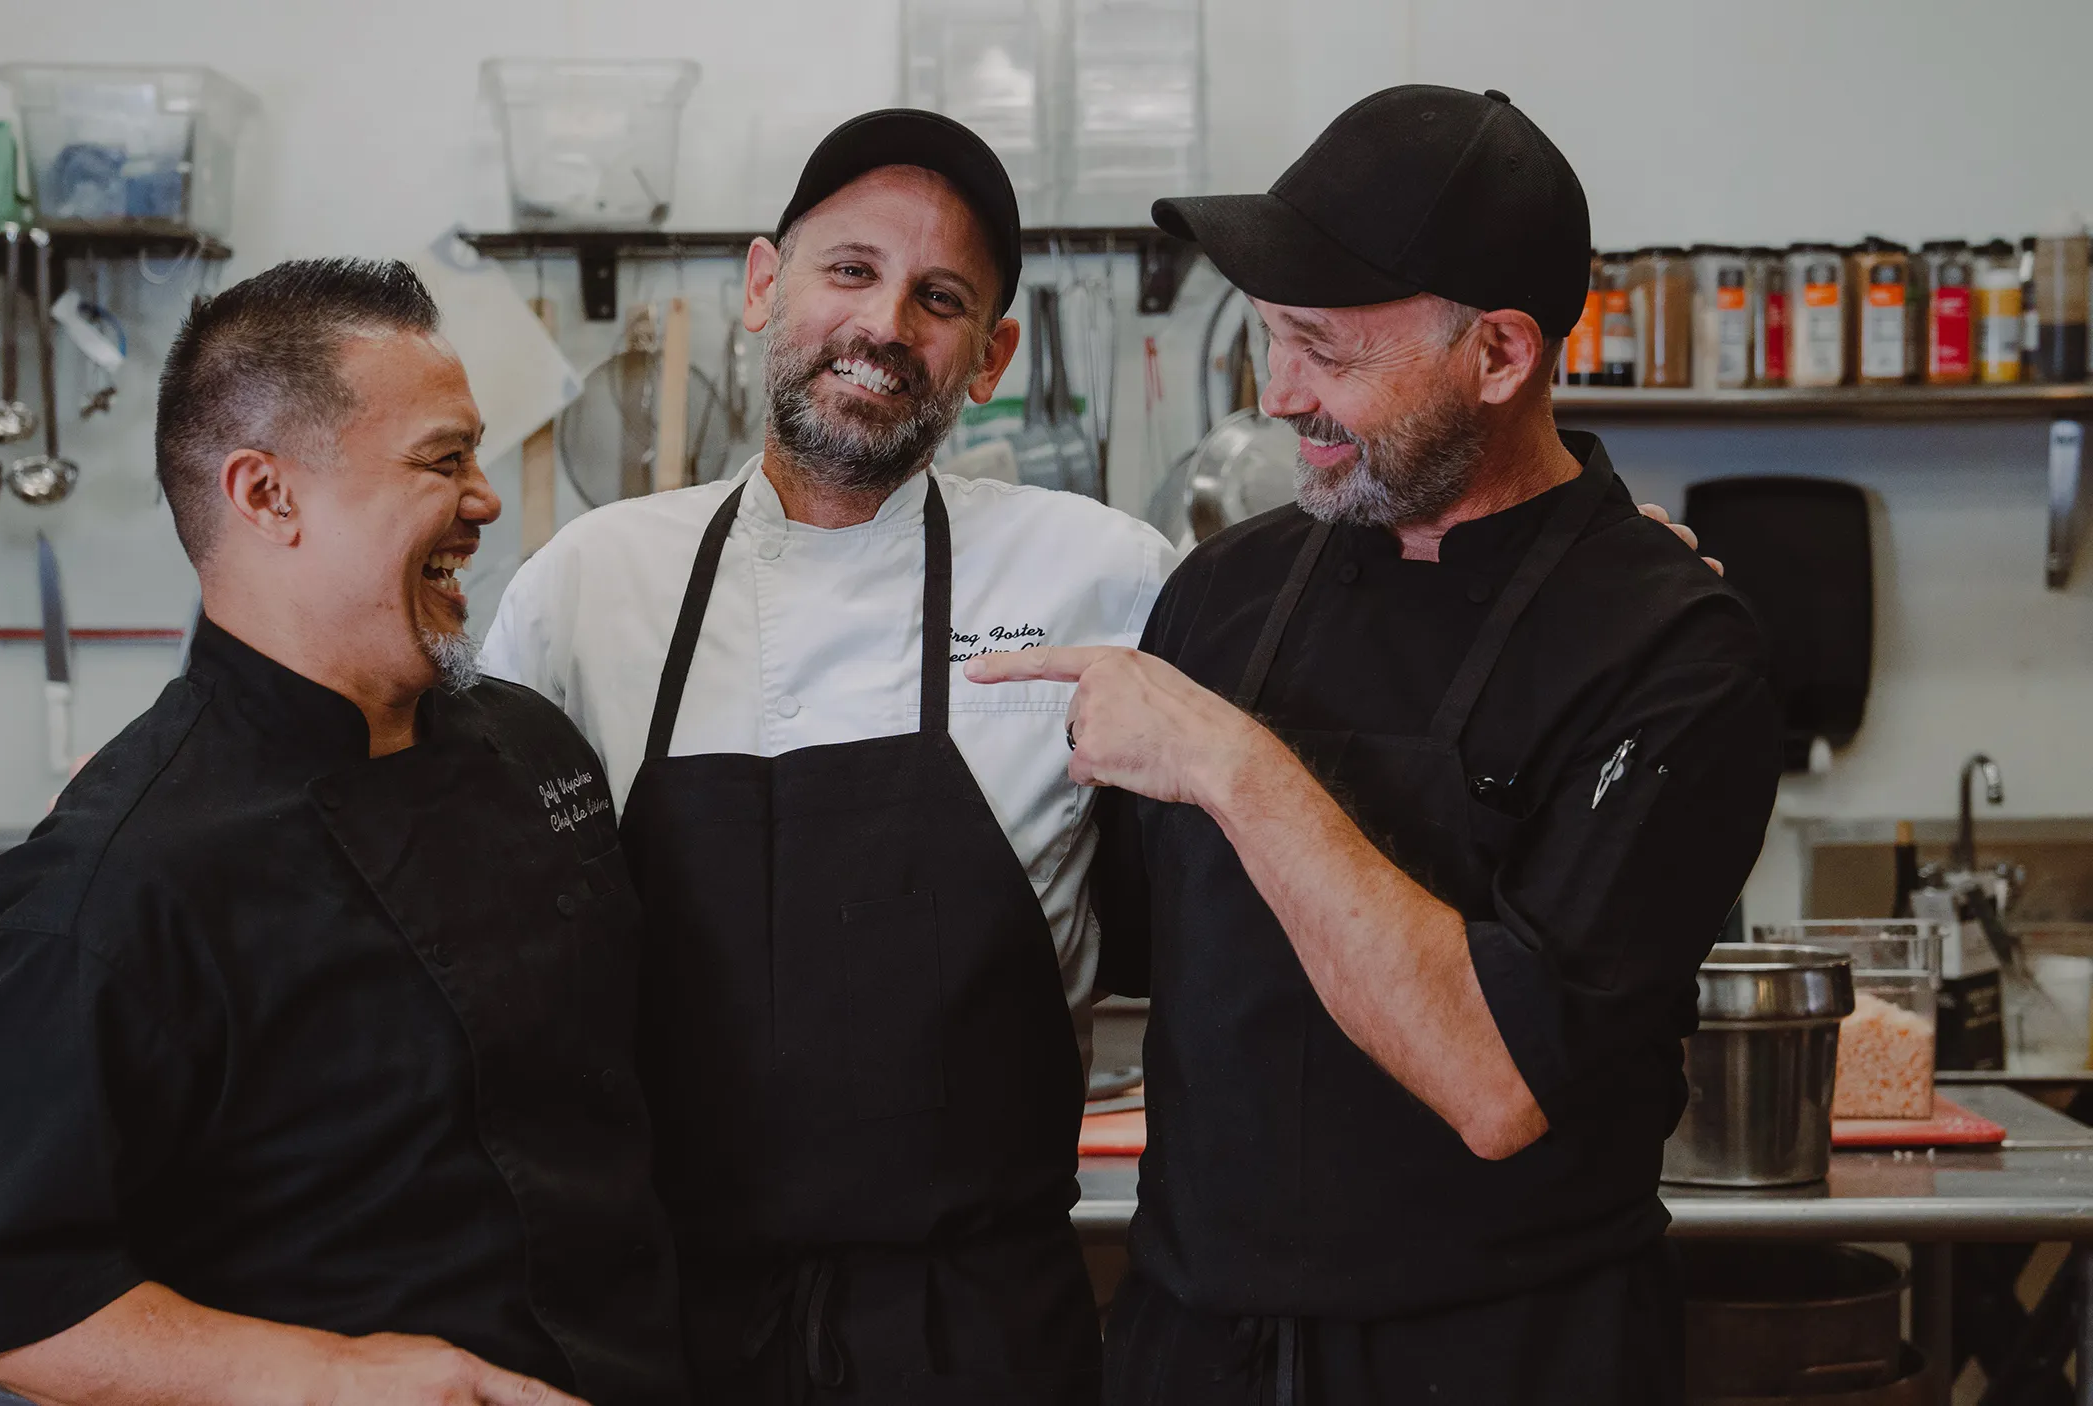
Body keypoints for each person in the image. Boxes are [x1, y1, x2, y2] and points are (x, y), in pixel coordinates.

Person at [967, 86, 1783, 1405]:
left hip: (1507, 1358)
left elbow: (1496, 1078)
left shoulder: (1671, 651)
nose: (1279, 394)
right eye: (1269, 337)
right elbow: (1118, 937)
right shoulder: (1224, 591)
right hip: (1198, 1343)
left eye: (1323, 351)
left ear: (1499, 354)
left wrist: (1231, 763)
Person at [0, 258, 684, 1406]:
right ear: (267, 496)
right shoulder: (112, 879)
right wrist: (336, 1375)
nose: (484, 499)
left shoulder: (532, 744)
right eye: (442, 459)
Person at [480, 111, 1168, 1403]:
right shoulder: (586, 588)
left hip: (975, 1332)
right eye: (850, 269)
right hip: (659, 1321)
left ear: (991, 355)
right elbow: (490, 958)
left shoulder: (1102, 578)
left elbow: (1215, 915)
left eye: (940, 298)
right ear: (762, 286)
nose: (884, 323)